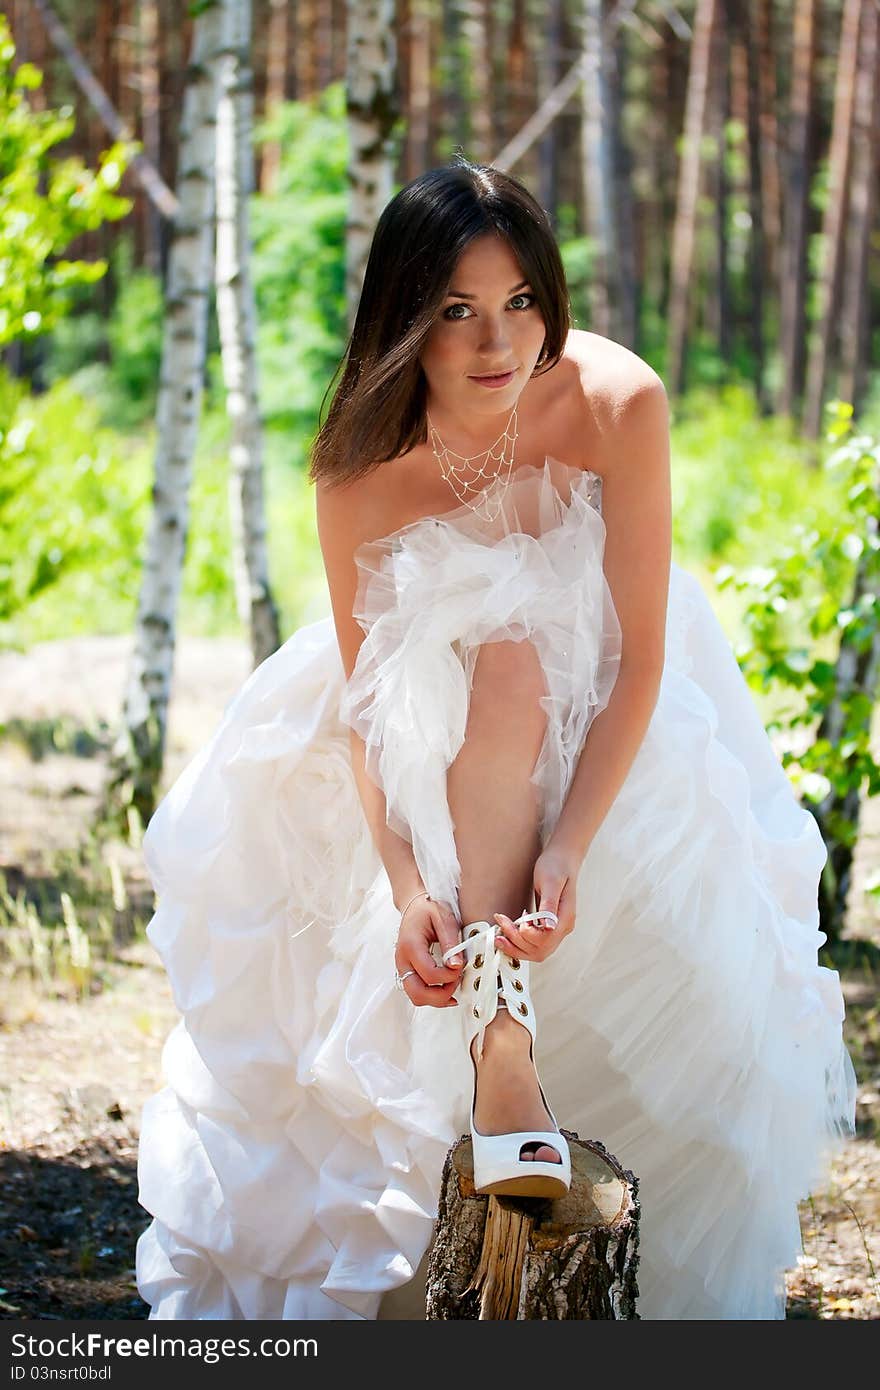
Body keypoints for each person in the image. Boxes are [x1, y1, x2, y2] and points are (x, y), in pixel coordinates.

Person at [135, 158, 857, 1320]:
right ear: (403, 318)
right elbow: (369, 703)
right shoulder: (359, 467)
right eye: (458, 311)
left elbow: (640, 662)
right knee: (490, 664)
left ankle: (499, 1038)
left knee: (521, 658)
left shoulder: (616, 401)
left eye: (521, 301)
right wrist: (408, 881)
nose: (496, 342)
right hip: (423, 712)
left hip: (601, 687)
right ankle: (496, 1025)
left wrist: (568, 853)